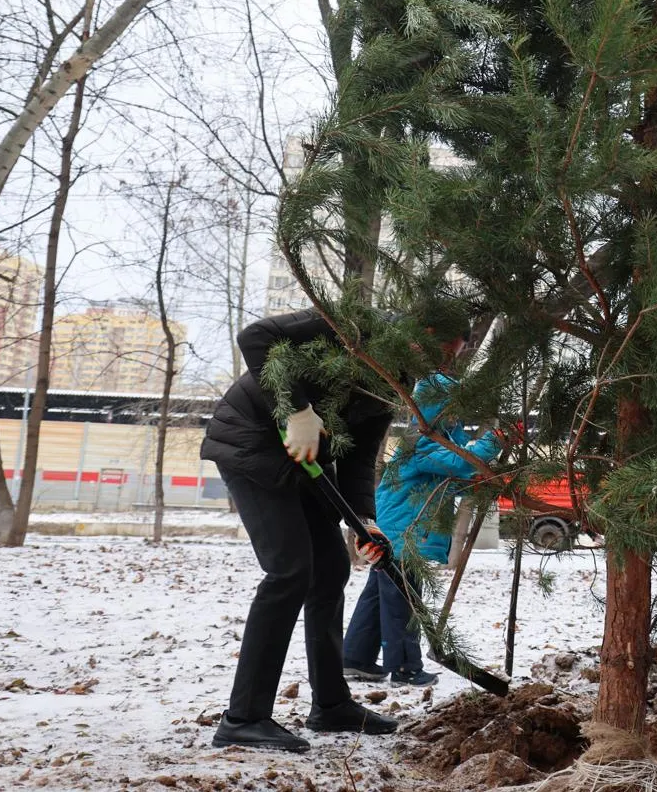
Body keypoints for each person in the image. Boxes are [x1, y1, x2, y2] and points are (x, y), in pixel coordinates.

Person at [199, 309, 465, 752]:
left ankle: (331, 705)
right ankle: (243, 717)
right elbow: (257, 337)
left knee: (329, 573)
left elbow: (360, 458)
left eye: (451, 359)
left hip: (307, 461)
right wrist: (298, 409)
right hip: (252, 445)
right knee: (290, 573)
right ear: (421, 327)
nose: (441, 366)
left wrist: (366, 520)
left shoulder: (389, 380)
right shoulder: (357, 324)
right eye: (440, 352)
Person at [343, 370, 500, 686]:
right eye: (451, 407)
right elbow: (456, 464)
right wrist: (493, 442)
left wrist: (476, 484)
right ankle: (405, 668)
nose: (457, 415)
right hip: (400, 534)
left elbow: (445, 482)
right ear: (434, 407)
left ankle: (355, 658)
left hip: (401, 531)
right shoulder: (420, 442)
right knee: (403, 599)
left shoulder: (438, 442)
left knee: (379, 595)